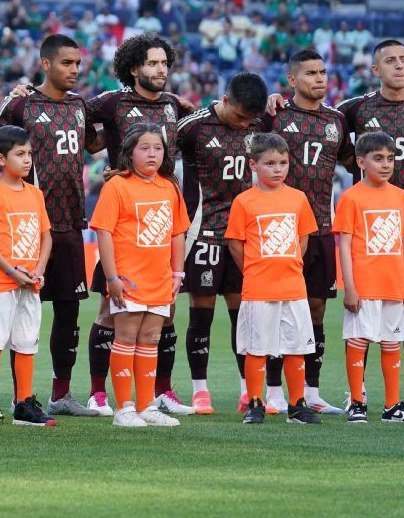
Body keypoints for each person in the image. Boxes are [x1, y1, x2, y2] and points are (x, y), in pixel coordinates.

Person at [334, 40, 404, 415]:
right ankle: (358, 395)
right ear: (375, 69)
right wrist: (277, 102)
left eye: (403, 60)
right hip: (368, 221)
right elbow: (319, 123)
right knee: (363, 313)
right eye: (390, 61)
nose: (399, 66)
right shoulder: (354, 109)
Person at [84, 33, 192, 416]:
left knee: (162, 317)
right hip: (125, 216)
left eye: (164, 63)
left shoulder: (174, 106)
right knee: (109, 314)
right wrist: (101, 152)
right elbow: (75, 116)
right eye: (152, 63)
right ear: (134, 68)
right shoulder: (112, 101)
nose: (160, 70)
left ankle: (159, 393)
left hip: (161, 214)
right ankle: (99, 393)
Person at [0, 34, 100, 418]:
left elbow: (96, 142)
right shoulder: (23, 105)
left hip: (71, 223)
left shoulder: (80, 107)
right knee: (22, 310)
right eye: (66, 63)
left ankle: (61, 394)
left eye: (77, 64)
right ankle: (18, 395)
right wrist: (11, 95)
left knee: (69, 310)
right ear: (45, 64)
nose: (74, 70)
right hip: (27, 225)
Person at [257, 50, 350, 414]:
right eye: (311, 72)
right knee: (279, 311)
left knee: (315, 311)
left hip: (322, 228)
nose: (320, 78)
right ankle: (275, 390)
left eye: (324, 72)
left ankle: (311, 392)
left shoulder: (337, 120)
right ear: (292, 79)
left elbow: (350, 160)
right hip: (281, 230)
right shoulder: (276, 116)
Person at [176, 72, 268, 415]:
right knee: (201, 314)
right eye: (240, 116)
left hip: (244, 236)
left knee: (243, 315)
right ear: (225, 101)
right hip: (203, 233)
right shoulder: (194, 127)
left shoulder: (259, 126)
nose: (245, 125)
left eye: (250, 119)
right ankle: (200, 391)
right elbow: (154, 151)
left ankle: (248, 389)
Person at [89, 123, 190, 427]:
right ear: (129, 153)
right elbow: (103, 234)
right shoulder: (117, 186)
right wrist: (112, 278)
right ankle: (124, 408)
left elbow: (177, 234)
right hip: (128, 278)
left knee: (150, 338)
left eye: (158, 148)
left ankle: (147, 406)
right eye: (144, 148)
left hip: (160, 278)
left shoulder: (169, 186)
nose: (152, 154)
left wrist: (177, 273)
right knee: (127, 336)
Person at [222, 133, 322, 425]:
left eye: (283, 163)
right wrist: (255, 270)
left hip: (293, 287)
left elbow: (302, 239)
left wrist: (288, 265)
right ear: (253, 165)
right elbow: (235, 245)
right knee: (257, 347)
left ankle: (297, 404)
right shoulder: (244, 202)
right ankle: (255, 402)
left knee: (297, 347)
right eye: (269, 163)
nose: (278, 169)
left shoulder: (298, 198)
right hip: (257, 288)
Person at [333, 132, 404, 424]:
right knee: (359, 340)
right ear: (361, 162)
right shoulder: (351, 198)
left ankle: (392, 406)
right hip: (364, 285)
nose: (386, 164)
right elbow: (345, 245)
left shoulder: (400, 197)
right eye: (378, 158)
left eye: (390, 158)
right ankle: (357, 402)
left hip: (393, 284)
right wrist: (349, 287)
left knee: (391, 342)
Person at [0, 126, 55, 428]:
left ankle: (24, 403)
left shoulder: (35, 194)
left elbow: (46, 237)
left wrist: (39, 270)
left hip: (31, 284)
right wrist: (11, 271)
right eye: (20, 154)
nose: (27, 159)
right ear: (1, 159)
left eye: (29, 153)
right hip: (3, 283)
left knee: (26, 342)